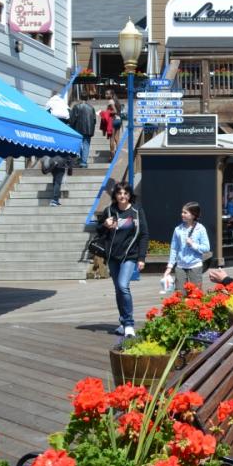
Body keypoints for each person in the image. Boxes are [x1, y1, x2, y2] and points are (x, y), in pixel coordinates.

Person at [98, 181, 149, 337]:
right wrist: (105, 226)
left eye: (125, 193)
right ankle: (123, 322)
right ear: (115, 195)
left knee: (123, 286)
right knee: (119, 290)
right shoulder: (109, 211)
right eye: (119, 193)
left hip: (129, 256)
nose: (122, 196)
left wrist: (141, 258)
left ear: (129, 195)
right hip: (113, 256)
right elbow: (99, 232)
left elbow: (144, 234)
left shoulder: (136, 211)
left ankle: (129, 324)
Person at [165, 202, 210, 293]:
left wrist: (193, 245)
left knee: (195, 294)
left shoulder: (200, 229)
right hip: (180, 265)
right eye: (182, 212)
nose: (182, 214)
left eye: (185, 213)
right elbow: (174, 248)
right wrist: (169, 267)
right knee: (179, 293)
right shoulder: (178, 230)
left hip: (195, 265)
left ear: (193, 215)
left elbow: (206, 248)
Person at [69, 99, 96, 168]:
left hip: (78, 129)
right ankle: (84, 162)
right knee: (86, 145)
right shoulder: (91, 107)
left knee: (79, 144)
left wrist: (71, 127)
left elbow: (73, 119)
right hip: (88, 129)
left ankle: (81, 159)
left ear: (79, 99)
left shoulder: (76, 106)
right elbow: (94, 120)